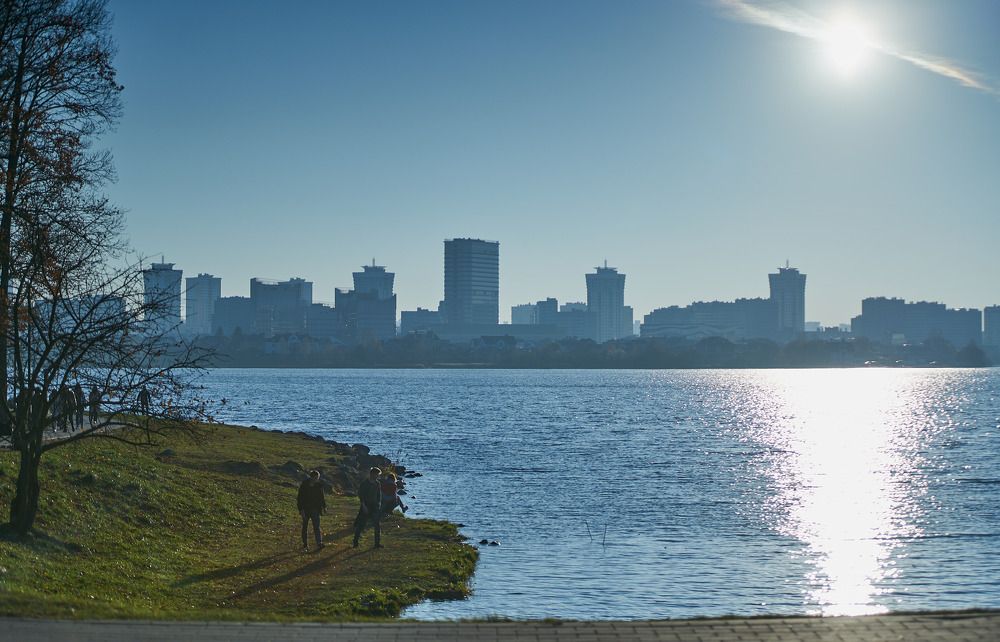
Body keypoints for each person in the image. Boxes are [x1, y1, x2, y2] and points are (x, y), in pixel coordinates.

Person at [353, 466, 382, 548]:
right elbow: (361, 495)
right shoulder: (365, 483)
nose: (377, 476)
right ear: (372, 474)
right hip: (366, 505)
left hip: (374, 506)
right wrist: (363, 506)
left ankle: (377, 543)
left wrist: (379, 504)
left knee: (377, 525)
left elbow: (379, 495)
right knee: (361, 525)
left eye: (378, 475)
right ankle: (355, 541)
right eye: (376, 474)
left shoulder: (377, 484)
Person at [297, 470, 326, 552]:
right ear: (311, 477)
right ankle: (305, 544)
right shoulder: (304, 485)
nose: (317, 479)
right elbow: (300, 498)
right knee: (305, 527)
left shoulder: (319, 485)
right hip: (305, 509)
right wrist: (301, 509)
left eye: (318, 478)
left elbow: (321, 497)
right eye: (316, 478)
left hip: (315, 509)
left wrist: (324, 506)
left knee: (316, 526)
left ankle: (319, 543)